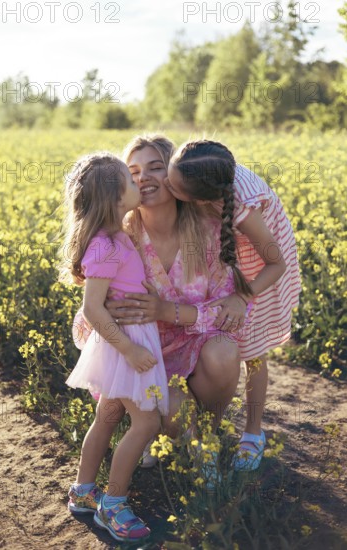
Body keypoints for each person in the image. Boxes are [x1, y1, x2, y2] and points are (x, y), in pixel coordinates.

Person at [105, 135, 252, 481]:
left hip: (199, 343)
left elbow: (226, 314)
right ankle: (174, 437)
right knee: (175, 415)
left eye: (156, 167)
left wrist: (167, 311)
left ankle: (210, 432)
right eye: (134, 171)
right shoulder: (121, 238)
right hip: (148, 354)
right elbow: (98, 313)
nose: (144, 179)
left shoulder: (208, 231)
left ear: (176, 177)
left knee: (224, 351)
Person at [165, 139, 302, 471]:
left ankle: (253, 434)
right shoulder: (201, 166)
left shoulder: (241, 207)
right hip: (231, 256)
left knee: (253, 351)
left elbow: (276, 263)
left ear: (202, 200)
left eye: (173, 185)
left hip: (262, 270)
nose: (167, 186)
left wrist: (243, 296)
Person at [59, 151, 169, 543]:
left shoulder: (116, 237)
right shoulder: (106, 245)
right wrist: (129, 349)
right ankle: (113, 503)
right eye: (130, 178)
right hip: (124, 345)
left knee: (106, 417)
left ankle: (83, 491)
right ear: (114, 196)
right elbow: (92, 307)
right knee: (148, 422)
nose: (138, 183)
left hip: (125, 341)